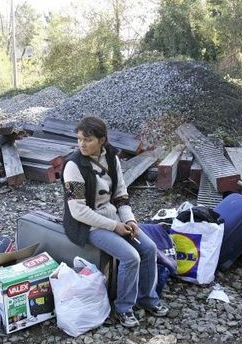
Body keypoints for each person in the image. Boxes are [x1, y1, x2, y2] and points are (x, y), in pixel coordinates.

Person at [61, 116, 169, 328]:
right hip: (88, 224)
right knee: (130, 257)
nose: (82, 144)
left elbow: (121, 193)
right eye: (79, 139)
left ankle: (147, 298)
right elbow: (78, 210)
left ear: (102, 140)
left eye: (88, 139)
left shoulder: (111, 158)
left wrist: (129, 219)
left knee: (149, 248)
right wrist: (115, 227)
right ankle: (123, 308)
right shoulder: (73, 166)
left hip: (113, 216)